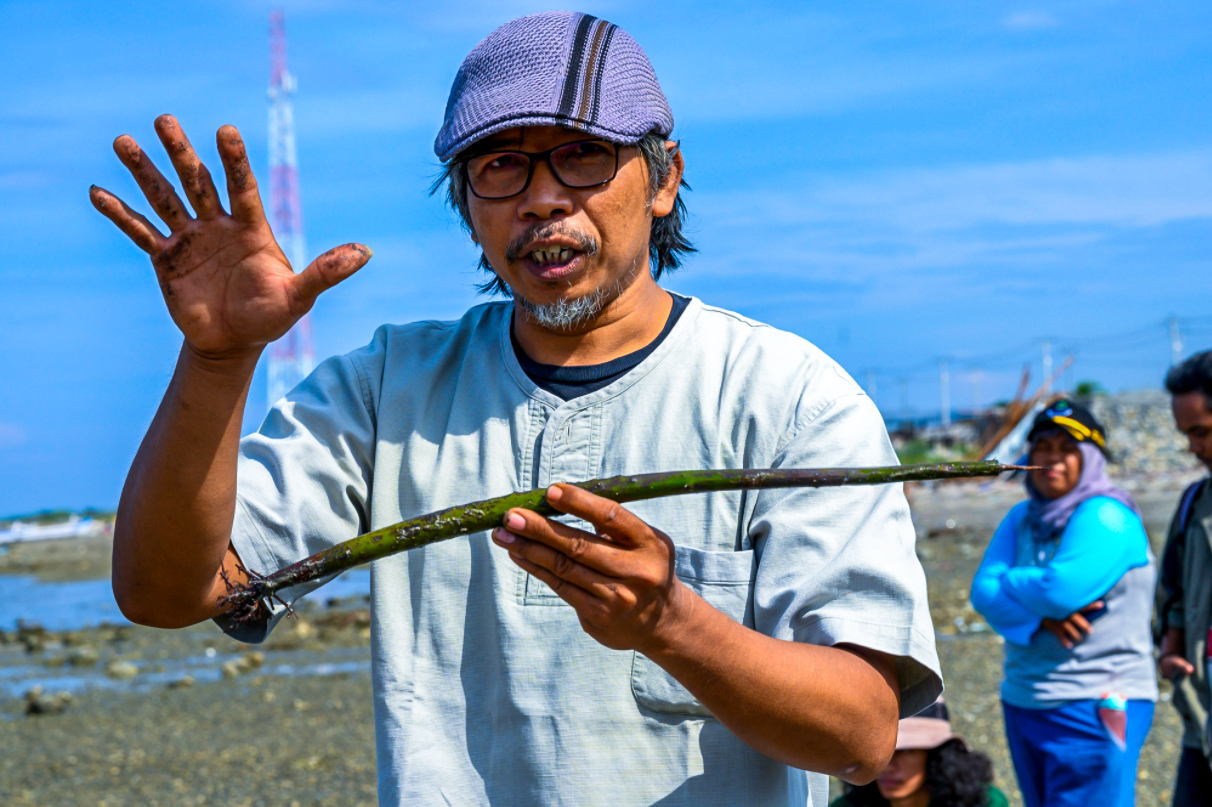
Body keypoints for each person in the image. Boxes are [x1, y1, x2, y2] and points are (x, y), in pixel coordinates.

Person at [90, 11, 942, 807]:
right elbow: (167, 591)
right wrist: (219, 356)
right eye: (501, 165)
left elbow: (862, 734)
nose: (542, 198)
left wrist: (671, 622)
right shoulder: (390, 389)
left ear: (664, 179)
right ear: (465, 206)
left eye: (582, 153)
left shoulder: (789, 396)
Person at [970, 399, 1157, 807]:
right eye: (1042, 446)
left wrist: (1013, 581)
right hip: (1025, 697)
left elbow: (1060, 591)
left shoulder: (1107, 514)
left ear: (1090, 457)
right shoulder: (1023, 517)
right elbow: (982, 593)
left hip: (1096, 700)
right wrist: (1039, 621)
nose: (1052, 458)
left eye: (1067, 448)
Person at [1156, 350, 1212, 807]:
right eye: (1187, 436)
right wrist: (1171, 646)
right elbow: (1174, 588)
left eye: (1202, 432)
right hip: (1202, 721)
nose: (1194, 447)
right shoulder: (1195, 502)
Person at [830, 699, 1008, 807]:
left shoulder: (985, 802)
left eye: (906, 750)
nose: (887, 766)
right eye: (877, 752)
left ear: (936, 758)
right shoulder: (848, 806)